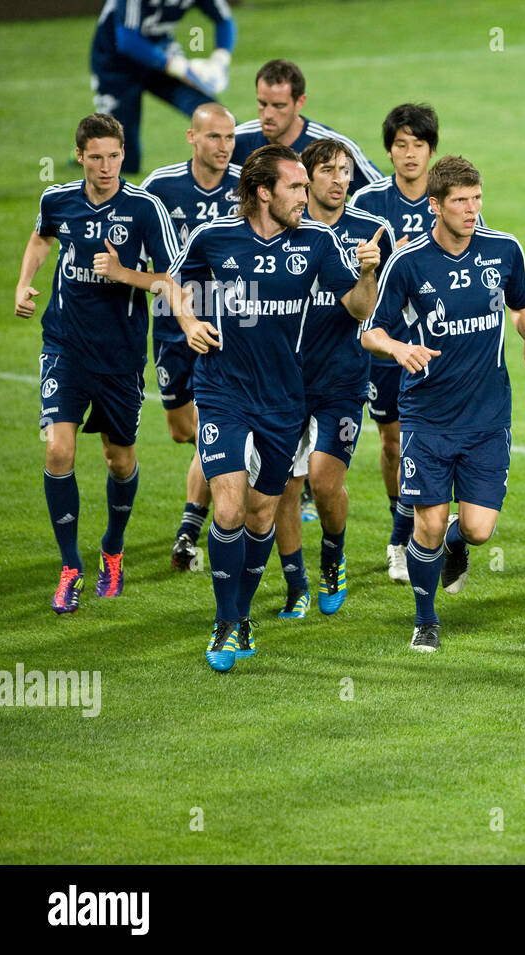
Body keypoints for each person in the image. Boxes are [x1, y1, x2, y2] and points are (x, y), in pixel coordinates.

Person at [161, 143, 380, 671]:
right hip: (223, 391)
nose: (307, 196)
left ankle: (241, 614)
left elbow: (358, 308)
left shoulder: (317, 241)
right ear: (264, 192)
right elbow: (174, 282)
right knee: (231, 509)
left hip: (285, 400)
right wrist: (189, 322)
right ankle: (226, 623)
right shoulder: (214, 237)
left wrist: (368, 271)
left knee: (261, 515)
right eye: (297, 187)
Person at [361, 156, 525, 653]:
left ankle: (454, 541)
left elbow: (523, 304)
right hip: (427, 413)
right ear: (436, 205)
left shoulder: (503, 249)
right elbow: (371, 331)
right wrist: (399, 348)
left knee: (479, 529)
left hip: (488, 414)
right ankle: (426, 620)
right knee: (424, 521)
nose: (471, 209)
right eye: (460, 201)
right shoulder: (409, 261)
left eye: (476, 199)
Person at [17, 113, 180, 613]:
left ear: (123, 155)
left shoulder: (144, 209)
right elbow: (42, 237)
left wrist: (122, 272)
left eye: (114, 156)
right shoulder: (58, 200)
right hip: (65, 346)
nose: (107, 166)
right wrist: (24, 282)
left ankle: (113, 547)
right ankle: (71, 567)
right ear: (81, 156)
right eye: (96, 157)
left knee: (119, 459)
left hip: (121, 357)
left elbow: (169, 282)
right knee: (58, 452)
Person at [272, 139, 396, 619]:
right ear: (306, 179)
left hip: (342, 377)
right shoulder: (283, 230)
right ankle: (294, 581)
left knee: (323, 483)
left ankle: (333, 552)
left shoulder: (371, 231)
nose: (341, 179)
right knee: (284, 484)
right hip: (283, 379)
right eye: (328, 170)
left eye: (346, 170)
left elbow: (364, 309)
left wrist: (370, 270)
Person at [140, 102, 241, 570]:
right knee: (184, 429)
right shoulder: (160, 187)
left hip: (228, 328)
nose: (224, 147)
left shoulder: (246, 185)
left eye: (230, 137)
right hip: (170, 324)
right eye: (214, 137)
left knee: (215, 429)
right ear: (192, 138)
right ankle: (232, 453)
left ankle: (189, 528)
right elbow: (136, 246)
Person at [353, 103, 441, 583]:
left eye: (419, 145)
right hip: (385, 344)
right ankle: (401, 521)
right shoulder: (367, 203)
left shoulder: (446, 197)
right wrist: (379, 263)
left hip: (433, 341)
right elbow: (351, 273)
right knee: (391, 442)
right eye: (401, 145)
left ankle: (406, 536)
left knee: (421, 437)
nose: (410, 154)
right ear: (389, 150)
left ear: (431, 151)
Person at [89, 0, 235, 175]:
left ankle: (252, 164)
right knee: (124, 161)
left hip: (161, 52)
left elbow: (224, 20)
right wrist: (177, 67)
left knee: (213, 114)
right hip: (115, 64)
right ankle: (88, 150)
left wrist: (221, 59)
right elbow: (127, 40)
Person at [231, 60, 381, 194]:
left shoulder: (335, 150)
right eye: (262, 104)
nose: (268, 114)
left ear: (300, 102)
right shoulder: (234, 141)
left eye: (279, 106)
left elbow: (382, 195)